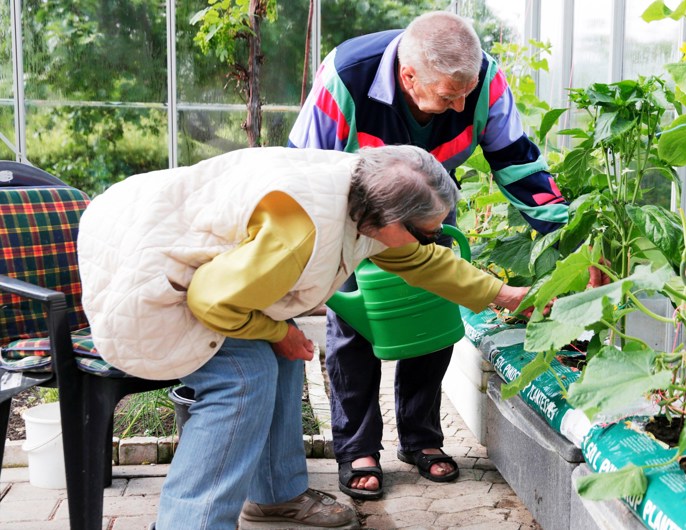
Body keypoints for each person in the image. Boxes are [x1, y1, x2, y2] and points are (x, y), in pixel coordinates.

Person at [77, 145, 531, 530]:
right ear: (390, 219)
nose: (430, 242)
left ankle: (276, 495)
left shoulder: (361, 196)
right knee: (244, 376)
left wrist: (506, 295)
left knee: (281, 353)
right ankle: (189, 522)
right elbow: (210, 301)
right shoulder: (302, 230)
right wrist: (276, 331)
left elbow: (424, 262)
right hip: (145, 286)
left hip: (182, 263)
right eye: (426, 233)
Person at [288, 10, 569, 500]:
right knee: (355, 325)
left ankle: (420, 438)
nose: (461, 105)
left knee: (433, 320)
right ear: (408, 77)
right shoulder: (346, 78)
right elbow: (302, 173)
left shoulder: (482, 80)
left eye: (467, 92)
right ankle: (358, 448)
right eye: (448, 96)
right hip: (354, 213)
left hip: (432, 206)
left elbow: (518, 162)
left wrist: (567, 237)